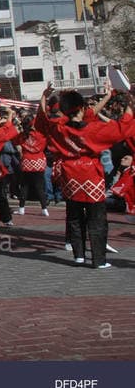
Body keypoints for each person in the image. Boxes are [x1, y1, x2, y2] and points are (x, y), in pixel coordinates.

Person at [37, 84, 135, 268]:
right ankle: (98, 260)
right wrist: (130, 101)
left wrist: (44, 97)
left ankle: (78, 255)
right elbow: (124, 127)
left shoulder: (58, 128)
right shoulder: (94, 129)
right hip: (91, 174)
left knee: (74, 216)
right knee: (97, 218)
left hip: (70, 176)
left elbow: (42, 121)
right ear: (82, 108)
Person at [13, 114, 49, 216]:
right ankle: (44, 209)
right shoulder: (40, 134)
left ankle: (21, 208)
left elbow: (15, 142)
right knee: (40, 186)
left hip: (26, 161)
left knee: (24, 186)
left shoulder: (22, 135)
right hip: (39, 161)